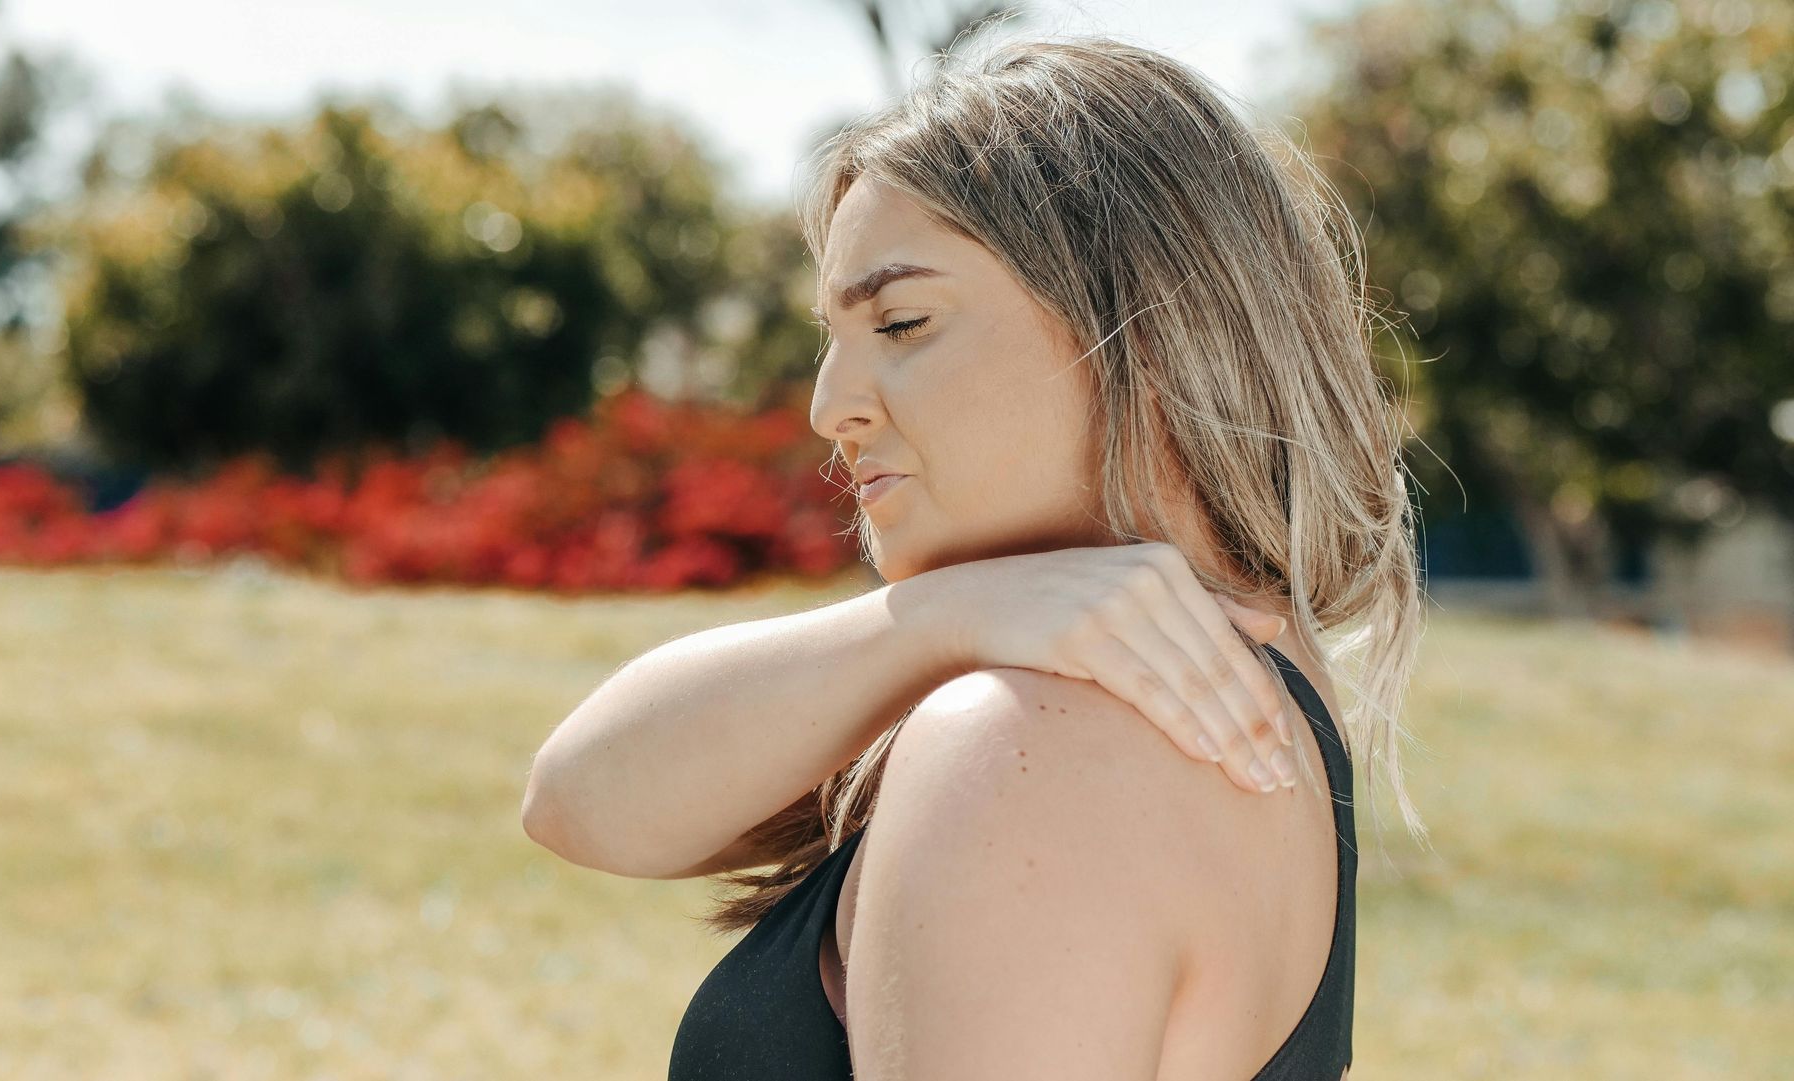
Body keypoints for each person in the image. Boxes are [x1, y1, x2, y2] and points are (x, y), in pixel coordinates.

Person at [523, 33, 1426, 1081]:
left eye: (902, 322)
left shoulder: (1026, 746)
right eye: (834, 335)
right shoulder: (1237, 696)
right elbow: (579, 799)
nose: (830, 406)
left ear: (1143, 327)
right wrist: (953, 616)